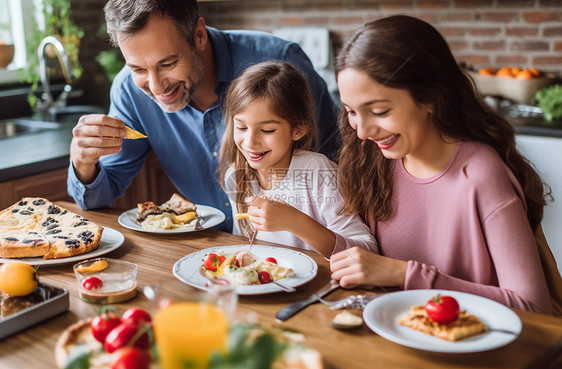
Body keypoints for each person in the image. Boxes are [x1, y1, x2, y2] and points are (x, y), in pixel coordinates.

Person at [330, 15, 552, 314]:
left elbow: (532, 307)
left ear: (431, 97)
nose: (363, 132)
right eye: (351, 112)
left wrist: (405, 274)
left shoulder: (480, 175)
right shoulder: (373, 164)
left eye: (380, 111)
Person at [67, 0, 338, 232]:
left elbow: (338, 171)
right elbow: (101, 195)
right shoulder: (130, 91)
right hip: (207, 254)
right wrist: (83, 163)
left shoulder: (280, 62)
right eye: (138, 69)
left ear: (198, 35)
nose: (157, 86)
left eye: (168, 64)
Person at [220, 61, 377, 259]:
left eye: (267, 130)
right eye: (241, 127)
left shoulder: (317, 172)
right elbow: (245, 250)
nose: (250, 142)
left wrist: (295, 222)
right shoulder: (235, 176)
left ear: (298, 129)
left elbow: (366, 250)